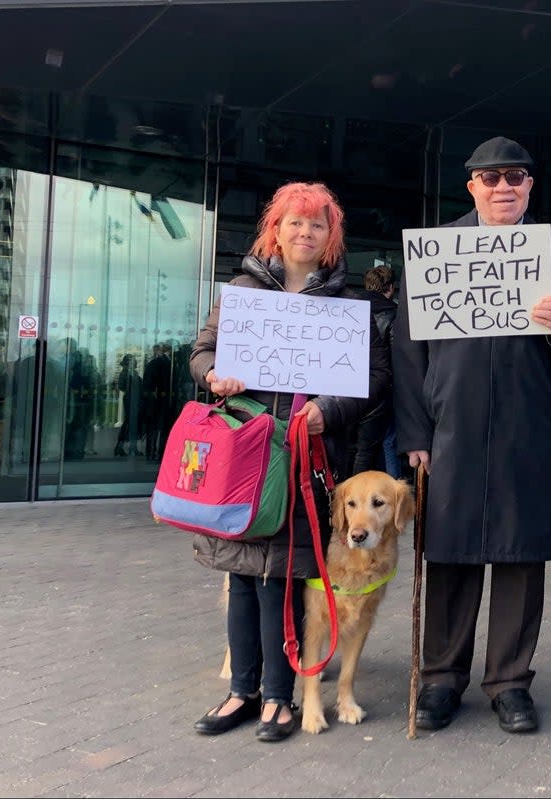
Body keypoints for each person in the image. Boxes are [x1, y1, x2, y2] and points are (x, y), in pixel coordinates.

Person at [393, 136, 551, 734]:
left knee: (520, 556)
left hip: (528, 428)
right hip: (451, 428)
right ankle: (441, 679)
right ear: (472, 185)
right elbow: (406, 348)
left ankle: (509, 682)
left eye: (517, 177)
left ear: (530, 186)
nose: (505, 186)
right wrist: (415, 431)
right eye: (492, 177)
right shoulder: (434, 253)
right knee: (449, 553)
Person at [188, 182, 390, 743]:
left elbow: (374, 381)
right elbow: (202, 352)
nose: (306, 233)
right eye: (295, 223)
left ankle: (280, 696)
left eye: (317, 225)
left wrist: (329, 410)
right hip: (247, 459)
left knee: (285, 578)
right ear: (275, 229)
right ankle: (241, 691)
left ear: (331, 237)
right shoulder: (241, 293)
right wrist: (213, 376)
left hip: (308, 460)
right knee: (243, 574)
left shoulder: (348, 306)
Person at [347, 264, 398, 475]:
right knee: (382, 444)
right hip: (380, 389)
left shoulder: (349, 308)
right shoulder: (394, 314)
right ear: (391, 287)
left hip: (349, 387)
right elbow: (396, 355)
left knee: (349, 447)